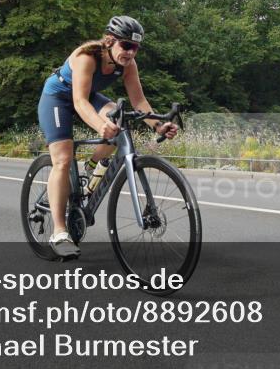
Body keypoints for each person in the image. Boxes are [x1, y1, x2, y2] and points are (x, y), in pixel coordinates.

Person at [38, 16, 178, 258]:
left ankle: (91, 167)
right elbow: (79, 102)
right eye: (126, 45)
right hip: (58, 98)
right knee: (62, 158)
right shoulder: (86, 56)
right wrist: (100, 125)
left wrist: (158, 125)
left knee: (119, 122)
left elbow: (139, 102)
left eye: (135, 48)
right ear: (110, 41)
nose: (130, 53)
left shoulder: (129, 65)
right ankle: (59, 232)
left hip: (88, 96)